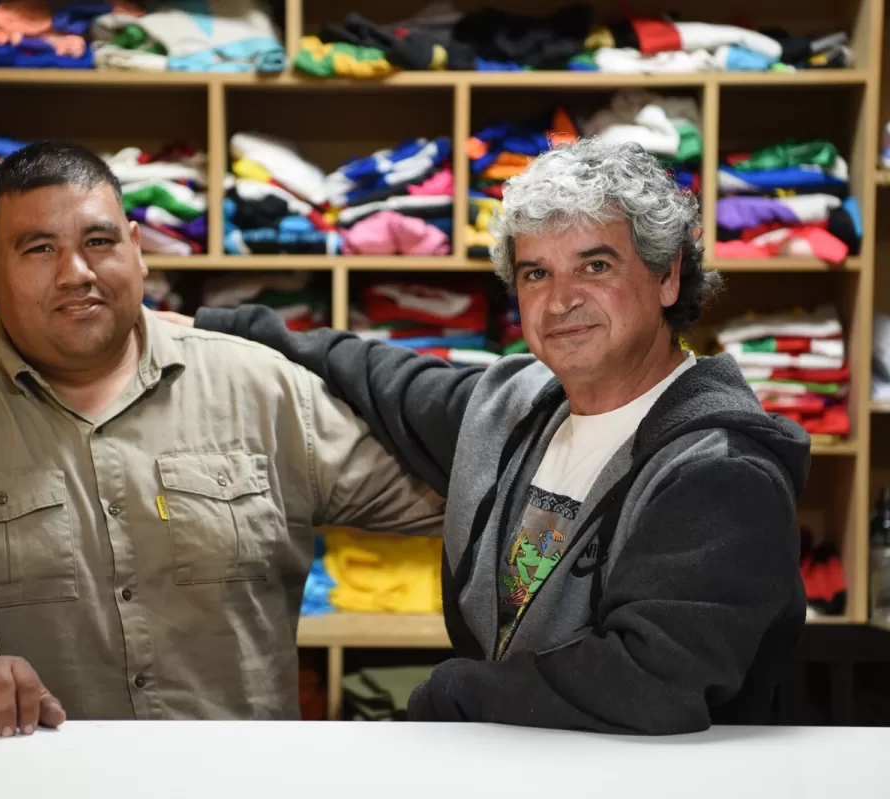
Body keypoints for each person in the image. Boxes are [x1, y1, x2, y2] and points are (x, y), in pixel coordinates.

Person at [171, 138, 811, 734]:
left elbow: (652, 680)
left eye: (594, 265)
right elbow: (383, 373)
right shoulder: (519, 411)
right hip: (518, 766)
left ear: (667, 276)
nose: (561, 301)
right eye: (537, 274)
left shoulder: (722, 470)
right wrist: (206, 325)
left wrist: (450, 697)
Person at [0, 141, 444, 735]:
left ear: (137, 247)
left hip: (233, 783)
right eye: (40, 248)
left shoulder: (260, 389)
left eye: (98, 242)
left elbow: (462, 494)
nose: (76, 273)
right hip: (33, 782)